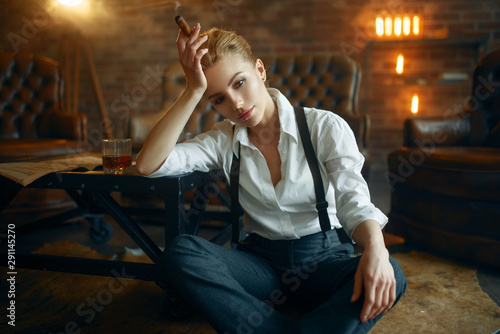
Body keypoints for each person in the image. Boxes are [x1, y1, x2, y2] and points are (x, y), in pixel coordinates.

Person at [136, 22, 407, 334]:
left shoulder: (324, 127)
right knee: (182, 252)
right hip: (260, 267)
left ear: (260, 70)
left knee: (393, 273)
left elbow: (353, 200)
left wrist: (376, 249)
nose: (236, 104)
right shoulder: (222, 140)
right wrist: (192, 89)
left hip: (324, 261)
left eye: (240, 82)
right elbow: (149, 164)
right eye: (218, 99)